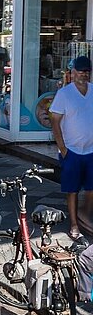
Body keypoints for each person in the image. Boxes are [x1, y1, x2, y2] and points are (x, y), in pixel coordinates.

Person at [50, 55, 93, 240]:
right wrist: (63, 148)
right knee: (72, 189)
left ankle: (84, 214)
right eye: (80, 71)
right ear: (73, 72)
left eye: (86, 71)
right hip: (72, 150)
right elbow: (54, 121)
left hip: (91, 149)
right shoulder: (64, 94)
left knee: (91, 188)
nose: (83, 74)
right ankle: (74, 223)